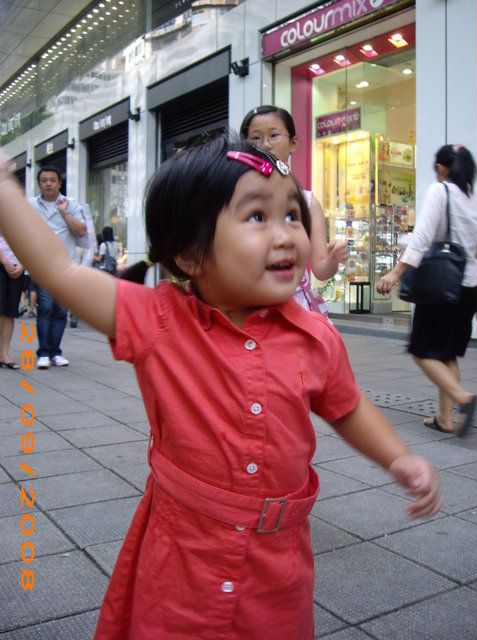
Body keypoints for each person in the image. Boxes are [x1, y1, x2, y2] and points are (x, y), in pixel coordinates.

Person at [0, 137, 441, 639]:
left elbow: (347, 407)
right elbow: (59, 271)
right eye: (257, 217)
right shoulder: (160, 321)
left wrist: (397, 457)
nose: (286, 235)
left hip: (276, 567)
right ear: (191, 253)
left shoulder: (316, 337)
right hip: (182, 560)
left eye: (292, 215)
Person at [377, 144, 477, 436]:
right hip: (468, 287)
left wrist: (396, 272)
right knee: (448, 354)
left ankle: (463, 398)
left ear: (442, 168)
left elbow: (422, 237)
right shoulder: (474, 198)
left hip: (440, 287)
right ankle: (444, 419)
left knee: (420, 350)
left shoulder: (441, 191)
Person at [240, 105, 348, 317]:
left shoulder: (308, 203)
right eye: (256, 138)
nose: (265, 144)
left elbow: (320, 269)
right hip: (248, 306)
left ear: (293, 143)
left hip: (294, 309)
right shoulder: (237, 197)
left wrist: (333, 260)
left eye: (274, 135)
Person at [28, 164, 86, 368]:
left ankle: (55, 352)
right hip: (42, 265)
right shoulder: (31, 205)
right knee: (45, 307)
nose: (48, 184)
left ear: (60, 183)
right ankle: (43, 352)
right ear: (39, 184)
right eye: (44, 181)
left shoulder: (71, 204)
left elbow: (81, 230)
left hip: (65, 266)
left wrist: (65, 213)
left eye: (52, 180)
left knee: (61, 310)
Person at [0, 231, 24, 369]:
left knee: (10, 312)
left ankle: (4, 355)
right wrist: (4, 261)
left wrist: (22, 265)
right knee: (0, 309)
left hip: (17, 266)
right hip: (2, 263)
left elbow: (28, 243)